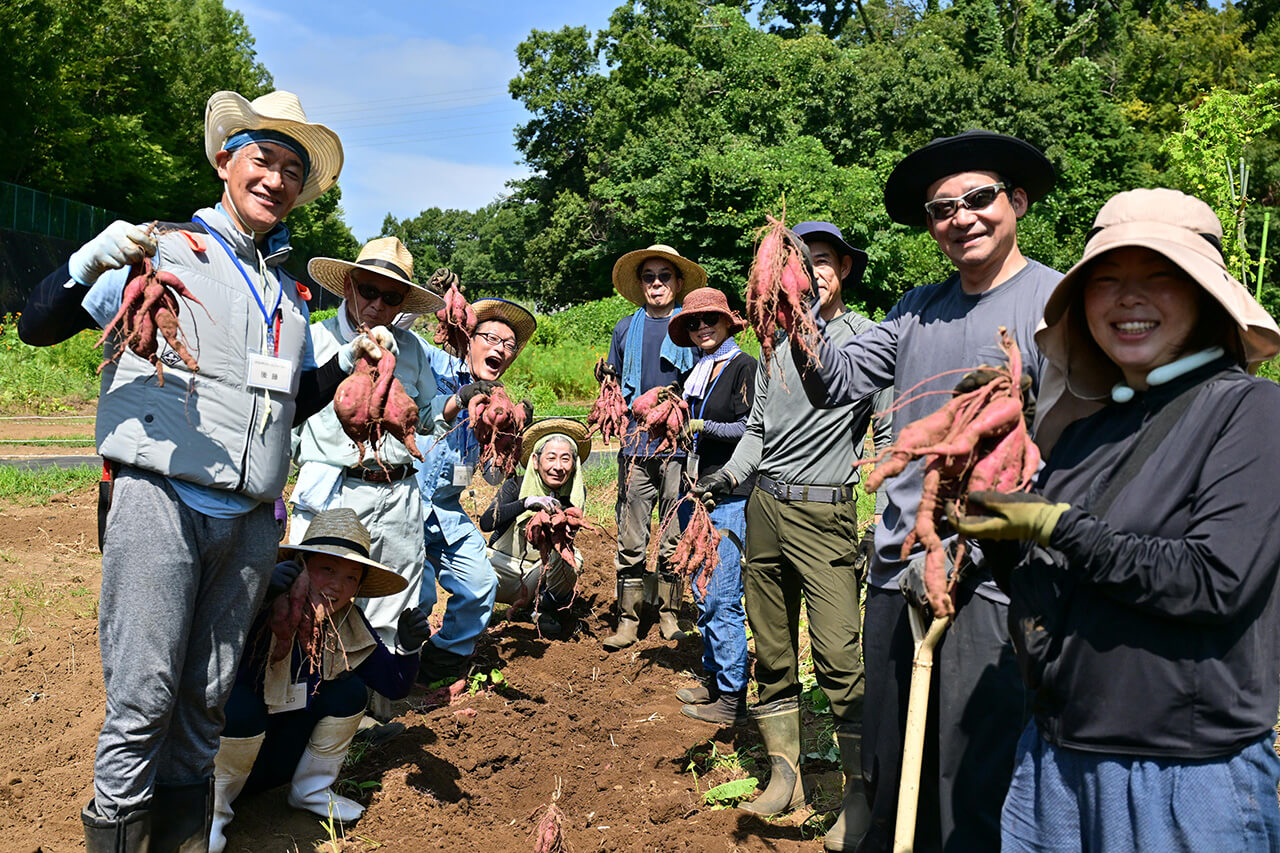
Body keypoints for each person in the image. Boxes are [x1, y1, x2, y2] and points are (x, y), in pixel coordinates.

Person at [15, 89, 385, 850]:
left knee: (204, 704)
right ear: (226, 160)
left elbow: (288, 405)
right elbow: (36, 325)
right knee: (143, 700)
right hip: (161, 502)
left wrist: (345, 359)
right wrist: (89, 259)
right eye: (263, 159)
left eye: (291, 169)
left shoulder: (288, 292)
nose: (276, 179)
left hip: (248, 523)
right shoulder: (164, 249)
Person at [948, 189, 1280, 851]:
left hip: (1182, 777)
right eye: (1106, 282)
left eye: (1160, 278)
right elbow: (1052, 586)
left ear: (1206, 298)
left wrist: (1055, 524)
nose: (1129, 298)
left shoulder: (1251, 413)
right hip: (1053, 762)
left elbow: (1213, 581)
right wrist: (999, 527)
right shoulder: (1083, 431)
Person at [792, 132, 1059, 852]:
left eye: (979, 199)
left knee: (969, 774)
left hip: (990, 581)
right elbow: (837, 381)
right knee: (888, 758)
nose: (961, 217)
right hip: (895, 564)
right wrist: (793, 314)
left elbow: (1069, 452)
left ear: (1018, 202)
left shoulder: (1054, 306)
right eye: (942, 209)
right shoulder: (916, 309)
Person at [697, 222, 889, 851]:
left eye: (826, 262)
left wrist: (885, 515)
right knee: (772, 648)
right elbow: (757, 429)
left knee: (838, 655)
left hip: (826, 512)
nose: (815, 275)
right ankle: (787, 774)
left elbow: (885, 439)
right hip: (765, 509)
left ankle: (861, 792)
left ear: (844, 271)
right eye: (805, 265)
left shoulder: (864, 342)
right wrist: (723, 480)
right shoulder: (776, 346)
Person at [209, 508, 432, 852]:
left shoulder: (347, 622)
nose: (336, 586)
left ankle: (310, 790)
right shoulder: (257, 605)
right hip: (222, 758)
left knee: (350, 692)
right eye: (327, 569)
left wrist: (407, 647)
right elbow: (210, 669)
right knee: (240, 705)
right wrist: (258, 595)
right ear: (301, 564)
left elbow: (394, 686)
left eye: (350, 578)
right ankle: (212, 813)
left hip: (279, 759)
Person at [291, 237, 443, 653]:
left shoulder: (410, 349)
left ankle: (378, 708)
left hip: (398, 492)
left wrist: (464, 401)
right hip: (334, 493)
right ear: (347, 286)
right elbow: (287, 419)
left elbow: (427, 415)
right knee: (317, 603)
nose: (378, 304)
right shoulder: (315, 340)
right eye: (368, 290)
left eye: (391, 297)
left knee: (392, 602)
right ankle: (315, 704)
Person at [413, 298, 538, 684]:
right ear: (468, 338)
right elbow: (415, 413)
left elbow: (493, 479)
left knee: (480, 586)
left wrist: (510, 442)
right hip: (406, 502)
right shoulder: (433, 363)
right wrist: (458, 398)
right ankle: (388, 674)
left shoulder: (498, 401)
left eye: (509, 344)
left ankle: (442, 659)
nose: (500, 348)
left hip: (448, 510)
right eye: (491, 337)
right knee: (417, 600)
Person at [661, 287, 756, 725]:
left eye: (710, 321)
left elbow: (752, 429)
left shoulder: (744, 367)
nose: (702, 328)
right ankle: (714, 678)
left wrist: (703, 424)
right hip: (694, 494)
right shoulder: (697, 374)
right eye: (694, 323)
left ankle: (733, 697)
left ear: (727, 323)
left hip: (730, 496)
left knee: (720, 596)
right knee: (701, 592)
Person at [599, 244, 701, 650]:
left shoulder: (692, 326)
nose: (656, 283)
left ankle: (669, 614)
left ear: (677, 283)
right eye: (649, 277)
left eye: (664, 276)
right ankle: (627, 619)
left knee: (674, 535)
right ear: (641, 284)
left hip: (678, 447)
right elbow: (616, 390)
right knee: (631, 536)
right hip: (637, 447)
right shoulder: (626, 329)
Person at [479, 417, 593, 635]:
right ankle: (476, 611)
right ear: (535, 460)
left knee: (573, 558)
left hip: (539, 574)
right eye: (551, 458)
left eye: (565, 459)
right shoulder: (515, 485)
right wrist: (526, 503)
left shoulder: (576, 495)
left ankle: (546, 607)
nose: (558, 467)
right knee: (474, 562)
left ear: (574, 463)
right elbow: (486, 523)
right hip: (502, 570)